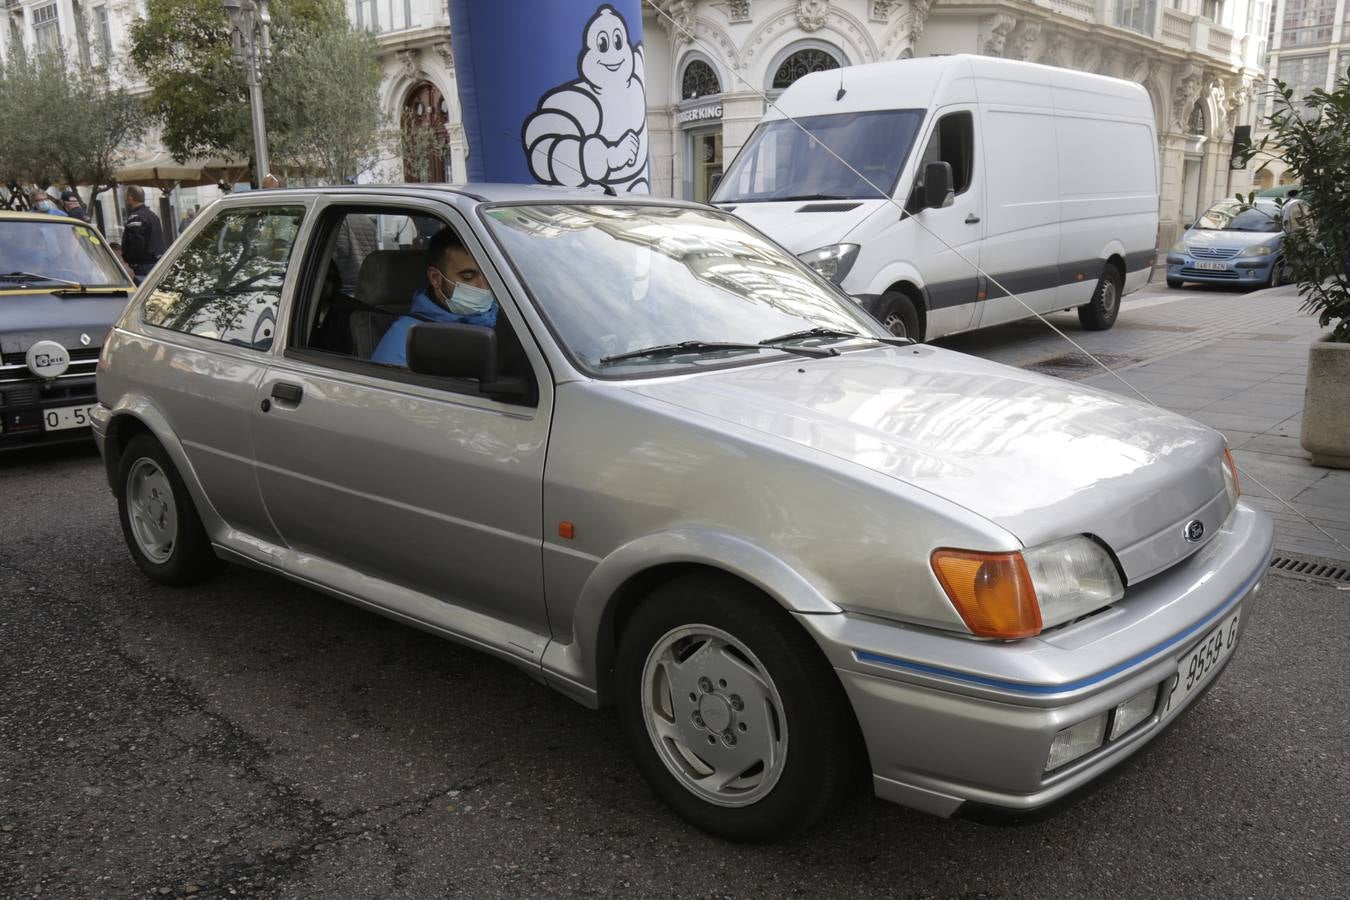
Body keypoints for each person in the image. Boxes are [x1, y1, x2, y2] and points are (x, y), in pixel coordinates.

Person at [370, 227, 498, 368]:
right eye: (468, 277)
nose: (483, 286)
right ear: (435, 278)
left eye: (489, 274)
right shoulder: (405, 340)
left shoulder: (511, 316)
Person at [121, 185, 165, 281]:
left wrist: (133, 261)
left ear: (130, 197)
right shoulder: (153, 215)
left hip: (144, 265)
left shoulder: (136, 217)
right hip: (156, 262)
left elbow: (137, 242)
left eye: (125, 197)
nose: (125, 200)